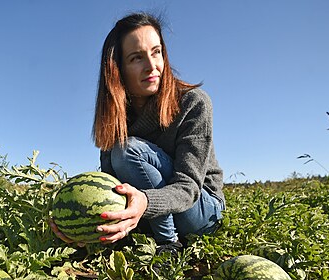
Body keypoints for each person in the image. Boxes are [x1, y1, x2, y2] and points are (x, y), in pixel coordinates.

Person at [50, 12, 225, 253]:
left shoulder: (193, 103)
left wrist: (146, 201)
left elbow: (188, 188)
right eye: (136, 58)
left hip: (201, 211)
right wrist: (84, 226)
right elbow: (113, 185)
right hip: (150, 210)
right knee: (122, 152)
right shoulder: (115, 116)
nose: (152, 66)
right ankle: (157, 232)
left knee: (127, 150)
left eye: (156, 52)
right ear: (118, 69)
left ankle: (168, 243)